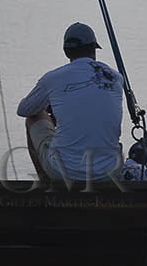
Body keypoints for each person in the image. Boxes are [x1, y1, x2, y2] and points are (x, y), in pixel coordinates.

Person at [17, 21, 125, 186]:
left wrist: (49, 106)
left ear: (66, 51)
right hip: (109, 172)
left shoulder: (53, 78)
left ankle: (45, 181)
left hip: (63, 172)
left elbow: (24, 110)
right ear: (93, 49)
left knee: (34, 115)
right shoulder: (116, 77)